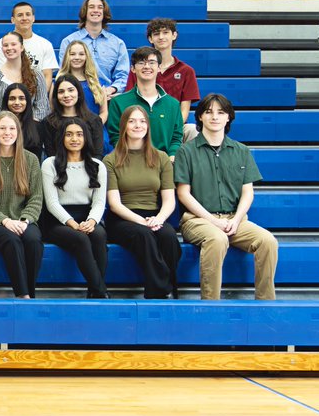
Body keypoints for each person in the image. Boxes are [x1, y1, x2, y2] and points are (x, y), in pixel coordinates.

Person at [175, 94, 278, 301]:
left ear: (229, 118)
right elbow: (183, 193)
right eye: (209, 112)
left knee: (268, 241)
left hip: (234, 219)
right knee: (217, 238)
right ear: (200, 117)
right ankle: (211, 304)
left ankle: (266, 303)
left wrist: (236, 219)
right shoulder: (186, 152)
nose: (215, 117)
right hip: (198, 220)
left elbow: (248, 192)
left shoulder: (241, 151)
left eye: (221, 112)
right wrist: (214, 221)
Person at [104, 105, 180, 299]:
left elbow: (169, 200)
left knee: (169, 237)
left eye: (142, 121)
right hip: (123, 218)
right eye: (132, 121)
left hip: (154, 214)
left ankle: (165, 289)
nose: (138, 125)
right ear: (124, 127)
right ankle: (161, 292)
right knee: (144, 234)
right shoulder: (111, 160)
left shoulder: (161, 157)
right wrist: (142, 221)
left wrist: (158, 219)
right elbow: (114, 204)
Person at [0, 111, 44, 299]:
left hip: (23, 220)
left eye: (12, 128)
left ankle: (30, 293)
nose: (7, 132)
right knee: (12, 241)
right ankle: (23, 296)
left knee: (33, 241)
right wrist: (5, 221)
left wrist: (25, 220)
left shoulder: (30, 159)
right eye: (2, 128)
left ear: (18, 132)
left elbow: (36, 197)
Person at [41, 117, 109, 298]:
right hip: (57, 221)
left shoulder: (98, 166)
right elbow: (52, 203)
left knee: (100, 235)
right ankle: (101, 292)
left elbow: (99, 201)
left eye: (79, 134)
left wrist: (92, 221)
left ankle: (94, 292)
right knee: (80, 239)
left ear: (86, 138)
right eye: (69, 134)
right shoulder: (50, 164)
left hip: (87, 216)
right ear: (61, 138)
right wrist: (72, 223)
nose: (74, 139)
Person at [126, 18, 202, 143]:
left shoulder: (186, 71)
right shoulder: (141, 69)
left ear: (174, 35)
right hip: (144, 125)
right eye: (156, 34)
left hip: (174, 125)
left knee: (193, 130)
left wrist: (170, 127)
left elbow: (184, 110)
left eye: (165, 32)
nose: (161, 37)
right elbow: (131, 103)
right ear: (150, 39)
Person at [107, 47, 184, 158]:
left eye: (152, 62)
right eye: (141, 62)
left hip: (165, 163)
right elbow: (115, 136)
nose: (147, 66)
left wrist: (171, 156)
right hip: (131, 162)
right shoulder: (118, 102)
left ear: (159, 67)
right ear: (132, 69)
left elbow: (176, 137)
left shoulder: (173, 104)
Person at [59, 0, 129, 102]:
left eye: (100, 7)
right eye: (91, 7)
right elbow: (64, 71)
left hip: (107, 98)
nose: (96, 10)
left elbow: (123, 75)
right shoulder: (68, 41)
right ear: (85, 12)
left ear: (104, 12)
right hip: (76, 99)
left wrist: (111, 89)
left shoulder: (117, 43)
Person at [0, 31, 50, 121]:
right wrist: (10, 126)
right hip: (2, 128)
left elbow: (42, 108)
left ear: (21, 47)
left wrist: (26, 125)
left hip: (31, 127)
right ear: (2, 49)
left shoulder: (36, 74)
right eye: (6, 45)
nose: (9, 48)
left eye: (13, 44)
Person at [0, 2, 58, 83]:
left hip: (37, 93)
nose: (24, 18)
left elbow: (47, 77)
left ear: (33, 18)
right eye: (20, 15)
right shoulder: (0, 45)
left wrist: (38, 95)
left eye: (28, 14)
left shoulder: (45, 44)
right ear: (12, 20)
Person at [44, 74, 105, 158]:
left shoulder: (94, 120)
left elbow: (97, 153)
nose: (66, 95)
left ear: (78, 92)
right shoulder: (49, 122)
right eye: (61, 92)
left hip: (89, 168)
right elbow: (51, 154)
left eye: (71, 90)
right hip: (59, 168)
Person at [56, 40, 109, 122]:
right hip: (68, 130)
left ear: (87, 57)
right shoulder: (59, 83)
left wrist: (95, 127)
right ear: (67, 57)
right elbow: (54, 111)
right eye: (72, 54)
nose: (77, 57)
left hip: (95, 130)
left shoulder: (98, 83)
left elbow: (104, 112)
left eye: (81, 54)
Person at [2, 83, 45, 159]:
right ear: (6, 101)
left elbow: (37, 156)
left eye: (21, 98)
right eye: (12, 98)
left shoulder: (37, 126)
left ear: (27, 101)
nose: (17, 103)